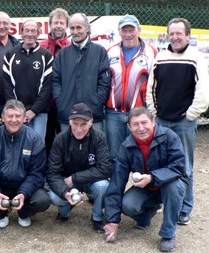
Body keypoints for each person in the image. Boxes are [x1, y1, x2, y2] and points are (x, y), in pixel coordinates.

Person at [146, 18, 209, 225]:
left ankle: (185, 207)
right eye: (171, 33)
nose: (174, 37)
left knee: (185, 166)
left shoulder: (196, 58)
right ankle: (164, 201)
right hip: (162, 121)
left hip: (183, 123)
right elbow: (151, 88)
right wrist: (154, 112)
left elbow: (203, 92)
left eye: (179, 33)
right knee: (161, 163)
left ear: (188, 36)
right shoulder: (161, 57)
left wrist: (191, 115)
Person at [103, 107, 187, 252]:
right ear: (129, 127)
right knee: (127, 204)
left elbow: (178, 166)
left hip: (168, 185)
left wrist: (152, 177)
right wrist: (112, 220)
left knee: (174, 187)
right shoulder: (126, 146)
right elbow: (117, 182)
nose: (141, 128)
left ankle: (168, 234)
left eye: (144, 122)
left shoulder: (169, 136)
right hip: (146, 189)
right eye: (135, 124)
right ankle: (146, 215)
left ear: (153, 122)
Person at [0, 99, 50, 228]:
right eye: (10, 116)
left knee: (43, 200)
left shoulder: (34, 139)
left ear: (24, 118)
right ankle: (2, 213)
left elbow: (37, 173)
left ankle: (23, 213)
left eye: (18, 116)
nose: (14, 120)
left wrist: (23, 193)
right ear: (3, 118)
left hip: (24, 187)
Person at [46, 103, 112, 233]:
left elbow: (105, 168)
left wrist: (75, 178)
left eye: (83, 124)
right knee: (54, 196)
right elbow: (52, 173)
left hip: (90, 180)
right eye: (75, 124)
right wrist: (65, 192)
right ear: (69, 123)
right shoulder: (60, 139)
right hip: (68, 184)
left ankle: (97, 218)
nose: (79, 129)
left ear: (91, 122)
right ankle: (65, 210)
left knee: (103, 186)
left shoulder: (99, 137)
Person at [105, 14, 157, 163]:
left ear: (139, 30)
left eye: (131, 30)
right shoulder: (110, 51)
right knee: (114, 157)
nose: (128, 34)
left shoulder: (151, 52)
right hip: (113, 114)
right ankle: (116, 186)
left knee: (141, 156)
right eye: (124, 30)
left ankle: (141, 185)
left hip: (139, 115)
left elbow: (156, 84)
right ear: (119, 32)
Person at [52, 13, 110, 132]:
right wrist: (61, 102)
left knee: (94, 149)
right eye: (72, 28)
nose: (75, 31)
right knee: (68, 150)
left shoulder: (100, 52)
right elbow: (55, 81)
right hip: (67, 114)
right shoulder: (63, 54)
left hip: (93, 115)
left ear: (87, 29)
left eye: (79, 27)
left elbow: (104, 81)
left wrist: (97, 102)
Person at [3, 20, 53, 142]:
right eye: (27, 30)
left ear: (38, 33)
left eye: (33, 31)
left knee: (37, 147)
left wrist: (34, 110)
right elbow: (7, 85)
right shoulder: (10, 54)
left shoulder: (46, 55)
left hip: (39, 113)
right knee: (18, 147)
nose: (30, 34)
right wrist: (18, 110)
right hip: (17, 113)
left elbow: (47, 87)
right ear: (21, 33)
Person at [40, 8, 71, 155]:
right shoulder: (42, 47)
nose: (58, 25)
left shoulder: (71, 47)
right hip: (45, 104)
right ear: (50, 25)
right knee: (46, 139)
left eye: (61, 22)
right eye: (55, 22)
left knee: (65, 140)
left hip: (65, 103)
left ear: (66, 25)